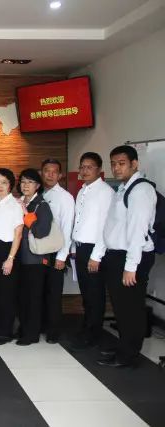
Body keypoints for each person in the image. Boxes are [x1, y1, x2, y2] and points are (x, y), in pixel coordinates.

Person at [97, 145, 156, 368]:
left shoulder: (141, 190)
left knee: (131, 308)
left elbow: (137, 230)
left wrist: (131, 266)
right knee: (121, 307)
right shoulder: (123, 188)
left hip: (131, 258)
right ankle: (124, 346)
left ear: (135, 164)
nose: (116, 168)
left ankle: (128, 355)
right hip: (118, 256)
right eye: (113, 163)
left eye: (121, 163)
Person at [67, 152, 114, 351]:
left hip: (95, 250)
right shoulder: (83, 190)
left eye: (89, 167)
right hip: (81, 248)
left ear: (99, 169)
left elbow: (106, 227)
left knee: (95, 294)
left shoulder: (105, 192)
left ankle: (94, 334)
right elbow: (78, 221)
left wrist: (96, 256)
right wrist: (73, 248)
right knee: (86, 293)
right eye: (82, 167)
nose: (84, 171)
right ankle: (87, 328)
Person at [16, 168, 53, 346]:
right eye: (23, 181)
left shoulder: (41, 205)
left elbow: (41, 231)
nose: (25, 185)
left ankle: (32, 334)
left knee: (33, 298)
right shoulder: (19, 201)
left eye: (30, 182)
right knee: (22, 297)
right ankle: (24, 328)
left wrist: (26, 214)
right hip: (20, 258)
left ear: (37, 186)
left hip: (35, 259)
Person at [0, 168, 24, 345]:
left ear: (10, 185)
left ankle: (5, 333)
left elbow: (18, 233)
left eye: (4, 182)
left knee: (6, 295)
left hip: (7, 251)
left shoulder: (14, 205)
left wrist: (10, 258)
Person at [40, 159, 74, 343]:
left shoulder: (65, 197)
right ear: (41, 173)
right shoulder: (39, 193)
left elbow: (67, 228)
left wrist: (62, 256)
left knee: (53, 293)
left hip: (55, 252)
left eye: (54, 172)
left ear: (60, 175)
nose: (50, 174)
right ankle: (42, 325)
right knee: (40, 291)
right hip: (39, 251)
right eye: (47, 170)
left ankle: (53, 331)